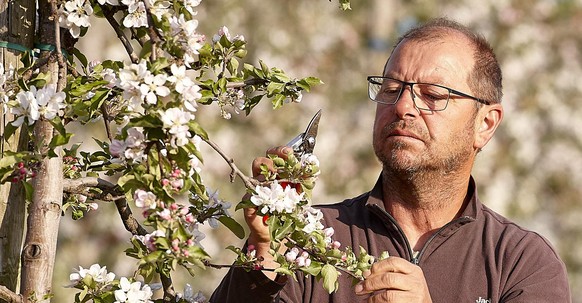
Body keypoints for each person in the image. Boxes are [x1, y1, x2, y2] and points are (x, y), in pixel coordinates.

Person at [210, 18, 571, 303]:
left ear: (485, 124)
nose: (402, 107)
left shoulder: (519, 262)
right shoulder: (312, 236)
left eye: (432, 95)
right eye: (391, 89)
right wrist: (264, 255)